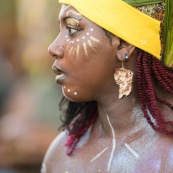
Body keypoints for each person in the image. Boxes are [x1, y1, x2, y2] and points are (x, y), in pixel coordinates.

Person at [42, 0, 173, 172]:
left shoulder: (167, 156)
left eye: (72, 29)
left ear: (124, 45)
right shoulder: (62, 155)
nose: (53, 48)